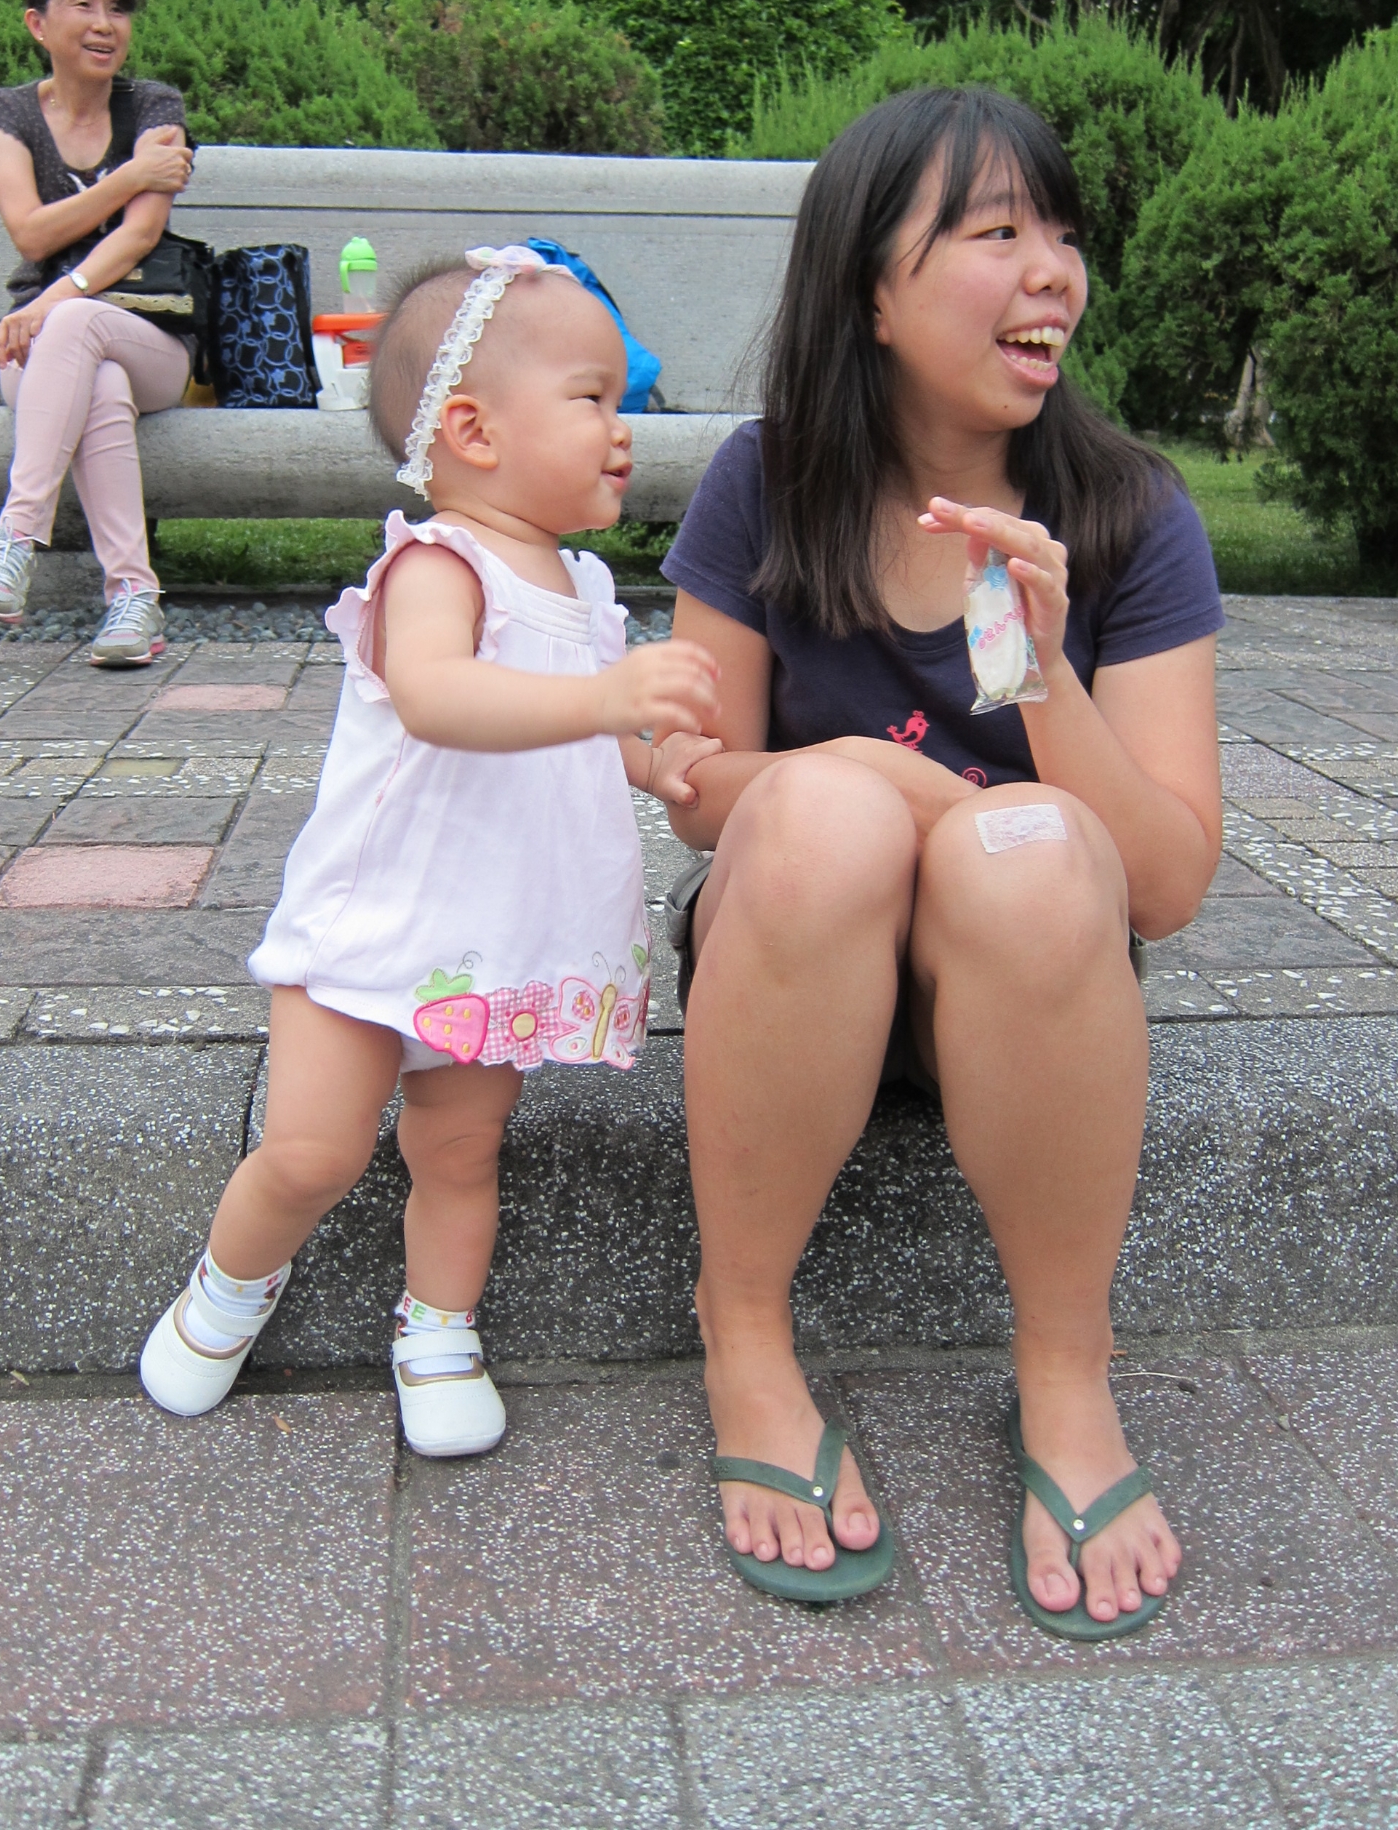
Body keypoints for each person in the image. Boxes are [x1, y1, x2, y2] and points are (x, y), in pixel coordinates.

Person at [661, 87, 1222, 1631]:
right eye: (996, 233)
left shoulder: (1128, 514)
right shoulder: (768, 481)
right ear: (872, 292)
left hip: (1030, 981)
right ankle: (745, 1332)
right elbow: (699, 789)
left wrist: (1041, 674)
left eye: (1064, 234)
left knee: (1027, 849)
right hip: (799, 961)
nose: (1053, 272)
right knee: (823, 815)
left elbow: (1165, 885)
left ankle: (1068, 1370)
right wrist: (878, 780)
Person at [139, 246, 721, 1457]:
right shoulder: (436, 564)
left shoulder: (584, 587)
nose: (625, 427)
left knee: (460, 1152)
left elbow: (574, 732)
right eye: (593, 397)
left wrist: (650, 759)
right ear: (473, 429)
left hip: (489, 945)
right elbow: (441, 695)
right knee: (311, 1150)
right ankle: (232, 1281)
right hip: (373, 931)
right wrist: (606, 698)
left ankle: (440, 1326)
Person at [0, 0, 196, 666]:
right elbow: (30, 232)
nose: (104, 24)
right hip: (46, 352)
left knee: (81, 327)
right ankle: (134, 600)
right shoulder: (7, 114)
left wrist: (52, 301)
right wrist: (129, 177)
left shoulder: (155, 105)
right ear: (38, 23)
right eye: (85, 5)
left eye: (118, 9)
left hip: (152, 336)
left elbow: (139, 237)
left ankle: (15, 538)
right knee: (100, 383)